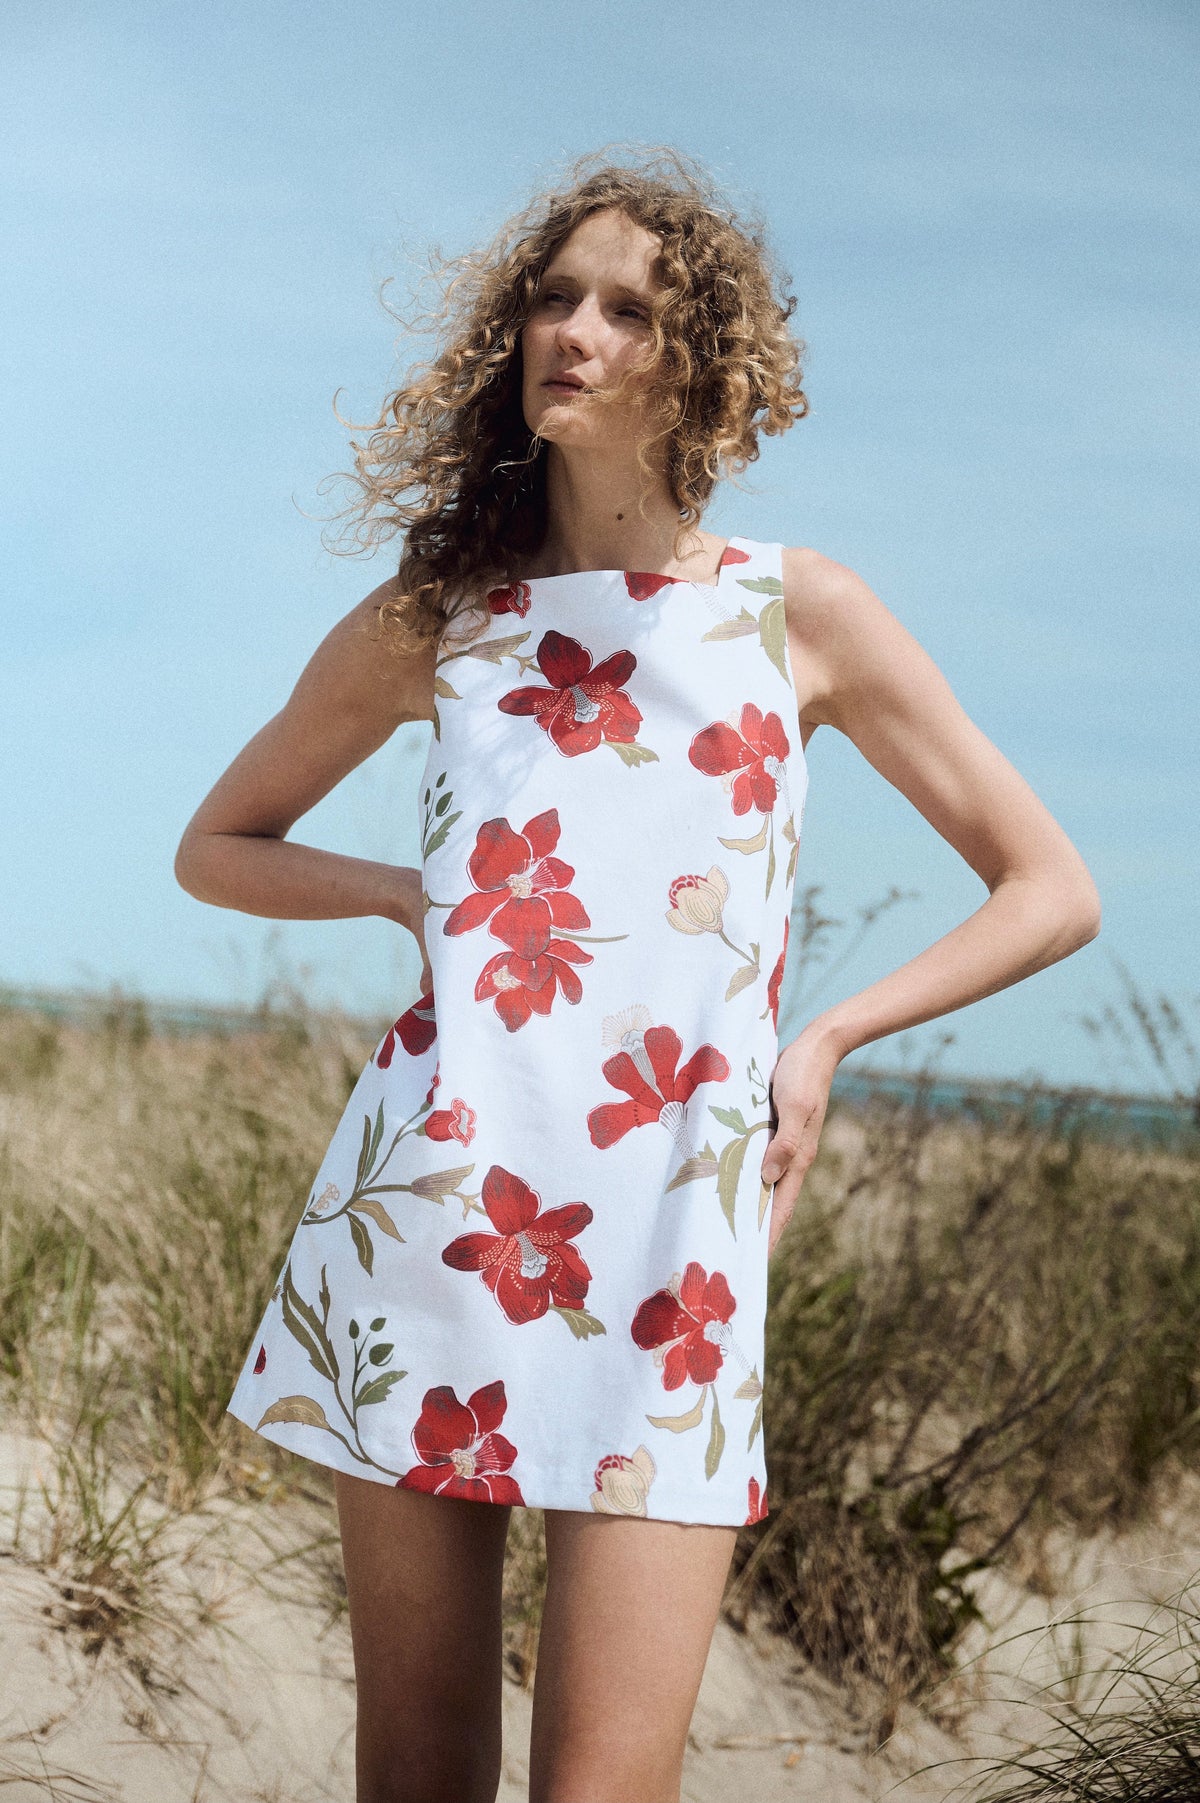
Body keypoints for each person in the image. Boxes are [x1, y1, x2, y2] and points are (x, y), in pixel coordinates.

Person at [174, 148, 1101, 1803]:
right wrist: (414, 901)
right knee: (417, 1775)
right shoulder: (442, 616)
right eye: (554, 298)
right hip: (436, 1210)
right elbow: (218, 844)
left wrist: (826, 1041)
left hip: (678, 1238)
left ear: (704, 361)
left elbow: (1051, 890)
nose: (575, 332)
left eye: (627, 309)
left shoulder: (800, 615)